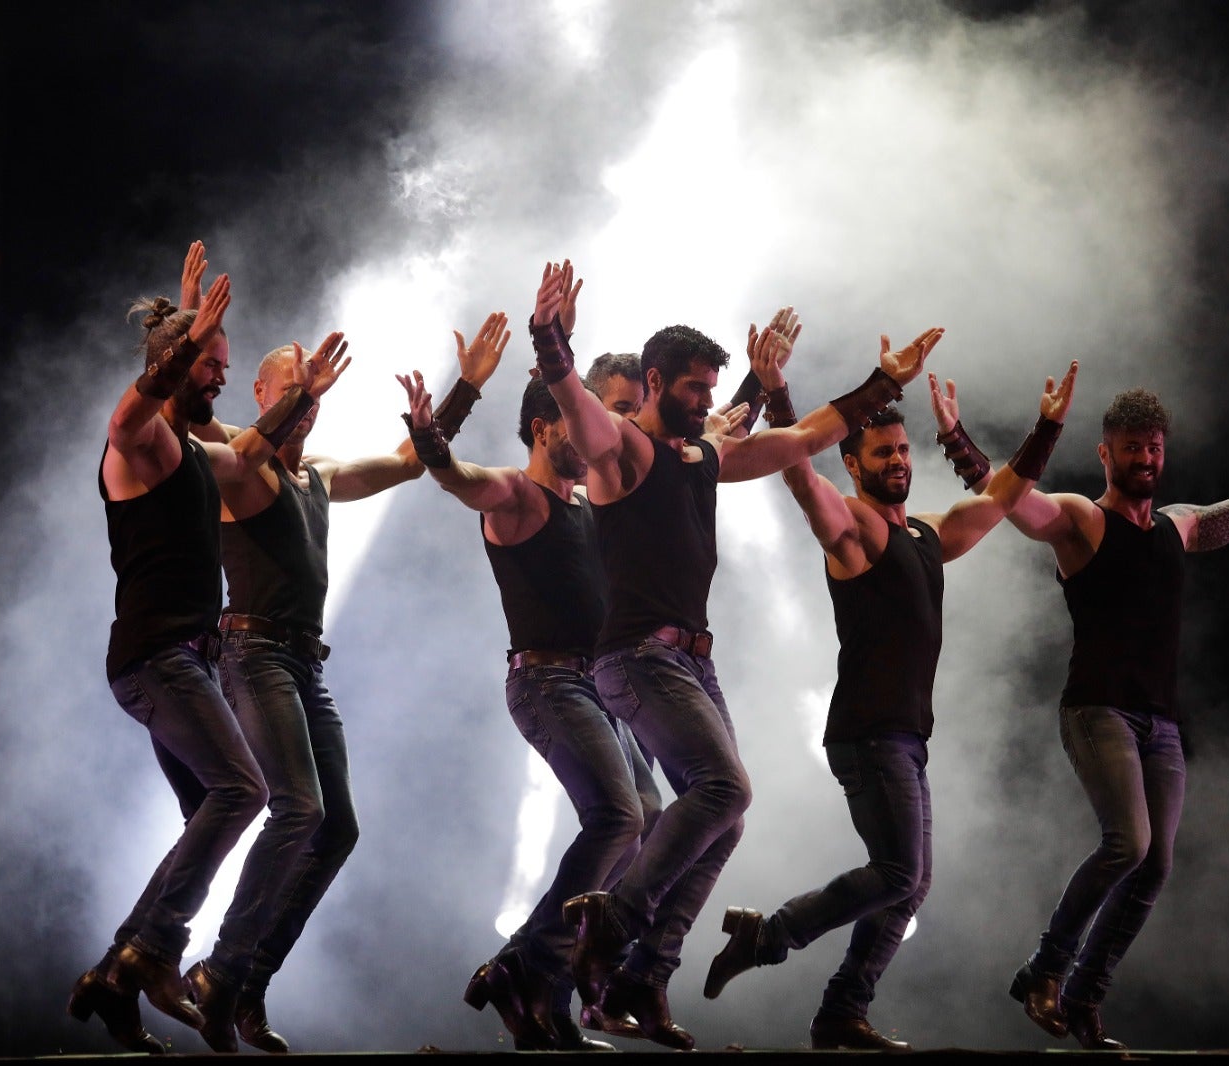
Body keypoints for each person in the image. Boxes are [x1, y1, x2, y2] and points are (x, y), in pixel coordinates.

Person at [523, 258, 937, 1049]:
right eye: (693, 389)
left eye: (711, 390)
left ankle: (641, 978)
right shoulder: (623, 452)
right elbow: (573, 399)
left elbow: (804, 437)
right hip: (636, 658)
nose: (706, 402)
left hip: (690, 664)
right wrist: (550, 335)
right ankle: (612, 925)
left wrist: (883, 382)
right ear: (654, 382)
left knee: (726, 819)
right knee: (724, 788)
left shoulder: (703, 456)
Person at [701, 357, 1079, 1051]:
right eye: (883, 453)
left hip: (903, 737)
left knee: (909, 883)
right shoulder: (854, 529)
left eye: (903, 450)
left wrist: (1046, 428)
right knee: (901, 873)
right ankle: (770, 934)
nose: (899, 461)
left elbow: (1002, 499)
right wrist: (779, 394)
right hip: (868, 734)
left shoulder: (927, 535)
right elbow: (799, 477)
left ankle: (842, 1011)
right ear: (853, 464)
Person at [1003, 382, 1229, 1050]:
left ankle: (1084, 998)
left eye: (1153, 447)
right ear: (1105, 454)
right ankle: (1045, 971)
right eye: (1131, 448)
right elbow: (1013, 502)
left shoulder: (1178, 526)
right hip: (1098, 711)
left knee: (1154, 866)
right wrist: (962, 441)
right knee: (1128, 843)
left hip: (1160, 725)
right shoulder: (1083, 520)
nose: (1145, 458)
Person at [179, 311, 506, 1051]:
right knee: (297, 807)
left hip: (305, 663)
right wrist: (191, 332)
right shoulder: (240, 461)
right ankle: (218, 971)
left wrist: (464, 391)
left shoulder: (318, 473)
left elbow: (409, 462)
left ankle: (247, 983)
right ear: (261, 393)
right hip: (253, 653)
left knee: (337, 828)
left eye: (314, 392)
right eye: (294, 389)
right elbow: (188, 421)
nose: (309, 400)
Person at [69, 270, 346, 1053]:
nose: (222, 376)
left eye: (224, 364)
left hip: (188, 663)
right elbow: (128, 416)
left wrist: (303, 393)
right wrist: (182, 343)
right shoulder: (140, 443)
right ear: (176, 363)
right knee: (244, 790)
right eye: (211, 364)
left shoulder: (197, 452)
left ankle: (116, 976)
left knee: (216, 811)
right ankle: (155, 950)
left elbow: (252, 450)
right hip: (154, 660)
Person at [402, 339, 676, 1049]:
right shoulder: (517, 497)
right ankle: (528, 963)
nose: (589, 439)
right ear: (541, 429)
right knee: (618, 816)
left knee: (647, 818)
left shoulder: (592, 503)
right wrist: (431, 438)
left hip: (599, 686)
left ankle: (539, 995)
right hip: (547, 683)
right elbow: (458, 478)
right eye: (572, 426)